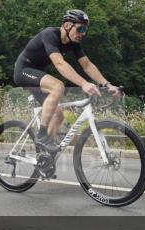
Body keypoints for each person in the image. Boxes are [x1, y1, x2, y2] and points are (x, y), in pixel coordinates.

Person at [13, 10, 120, 163]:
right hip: (23, 70)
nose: (83, 33)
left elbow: (87, 65)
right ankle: (42, 135)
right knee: (58, 86)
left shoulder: (74, 44)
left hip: (37, 74)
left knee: (58, 115)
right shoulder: (50, 34)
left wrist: (107, 84)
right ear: (68, 25)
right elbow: (60, 64)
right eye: (80, 29)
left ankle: (44, 158)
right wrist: (83, 83)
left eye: (85, 30)